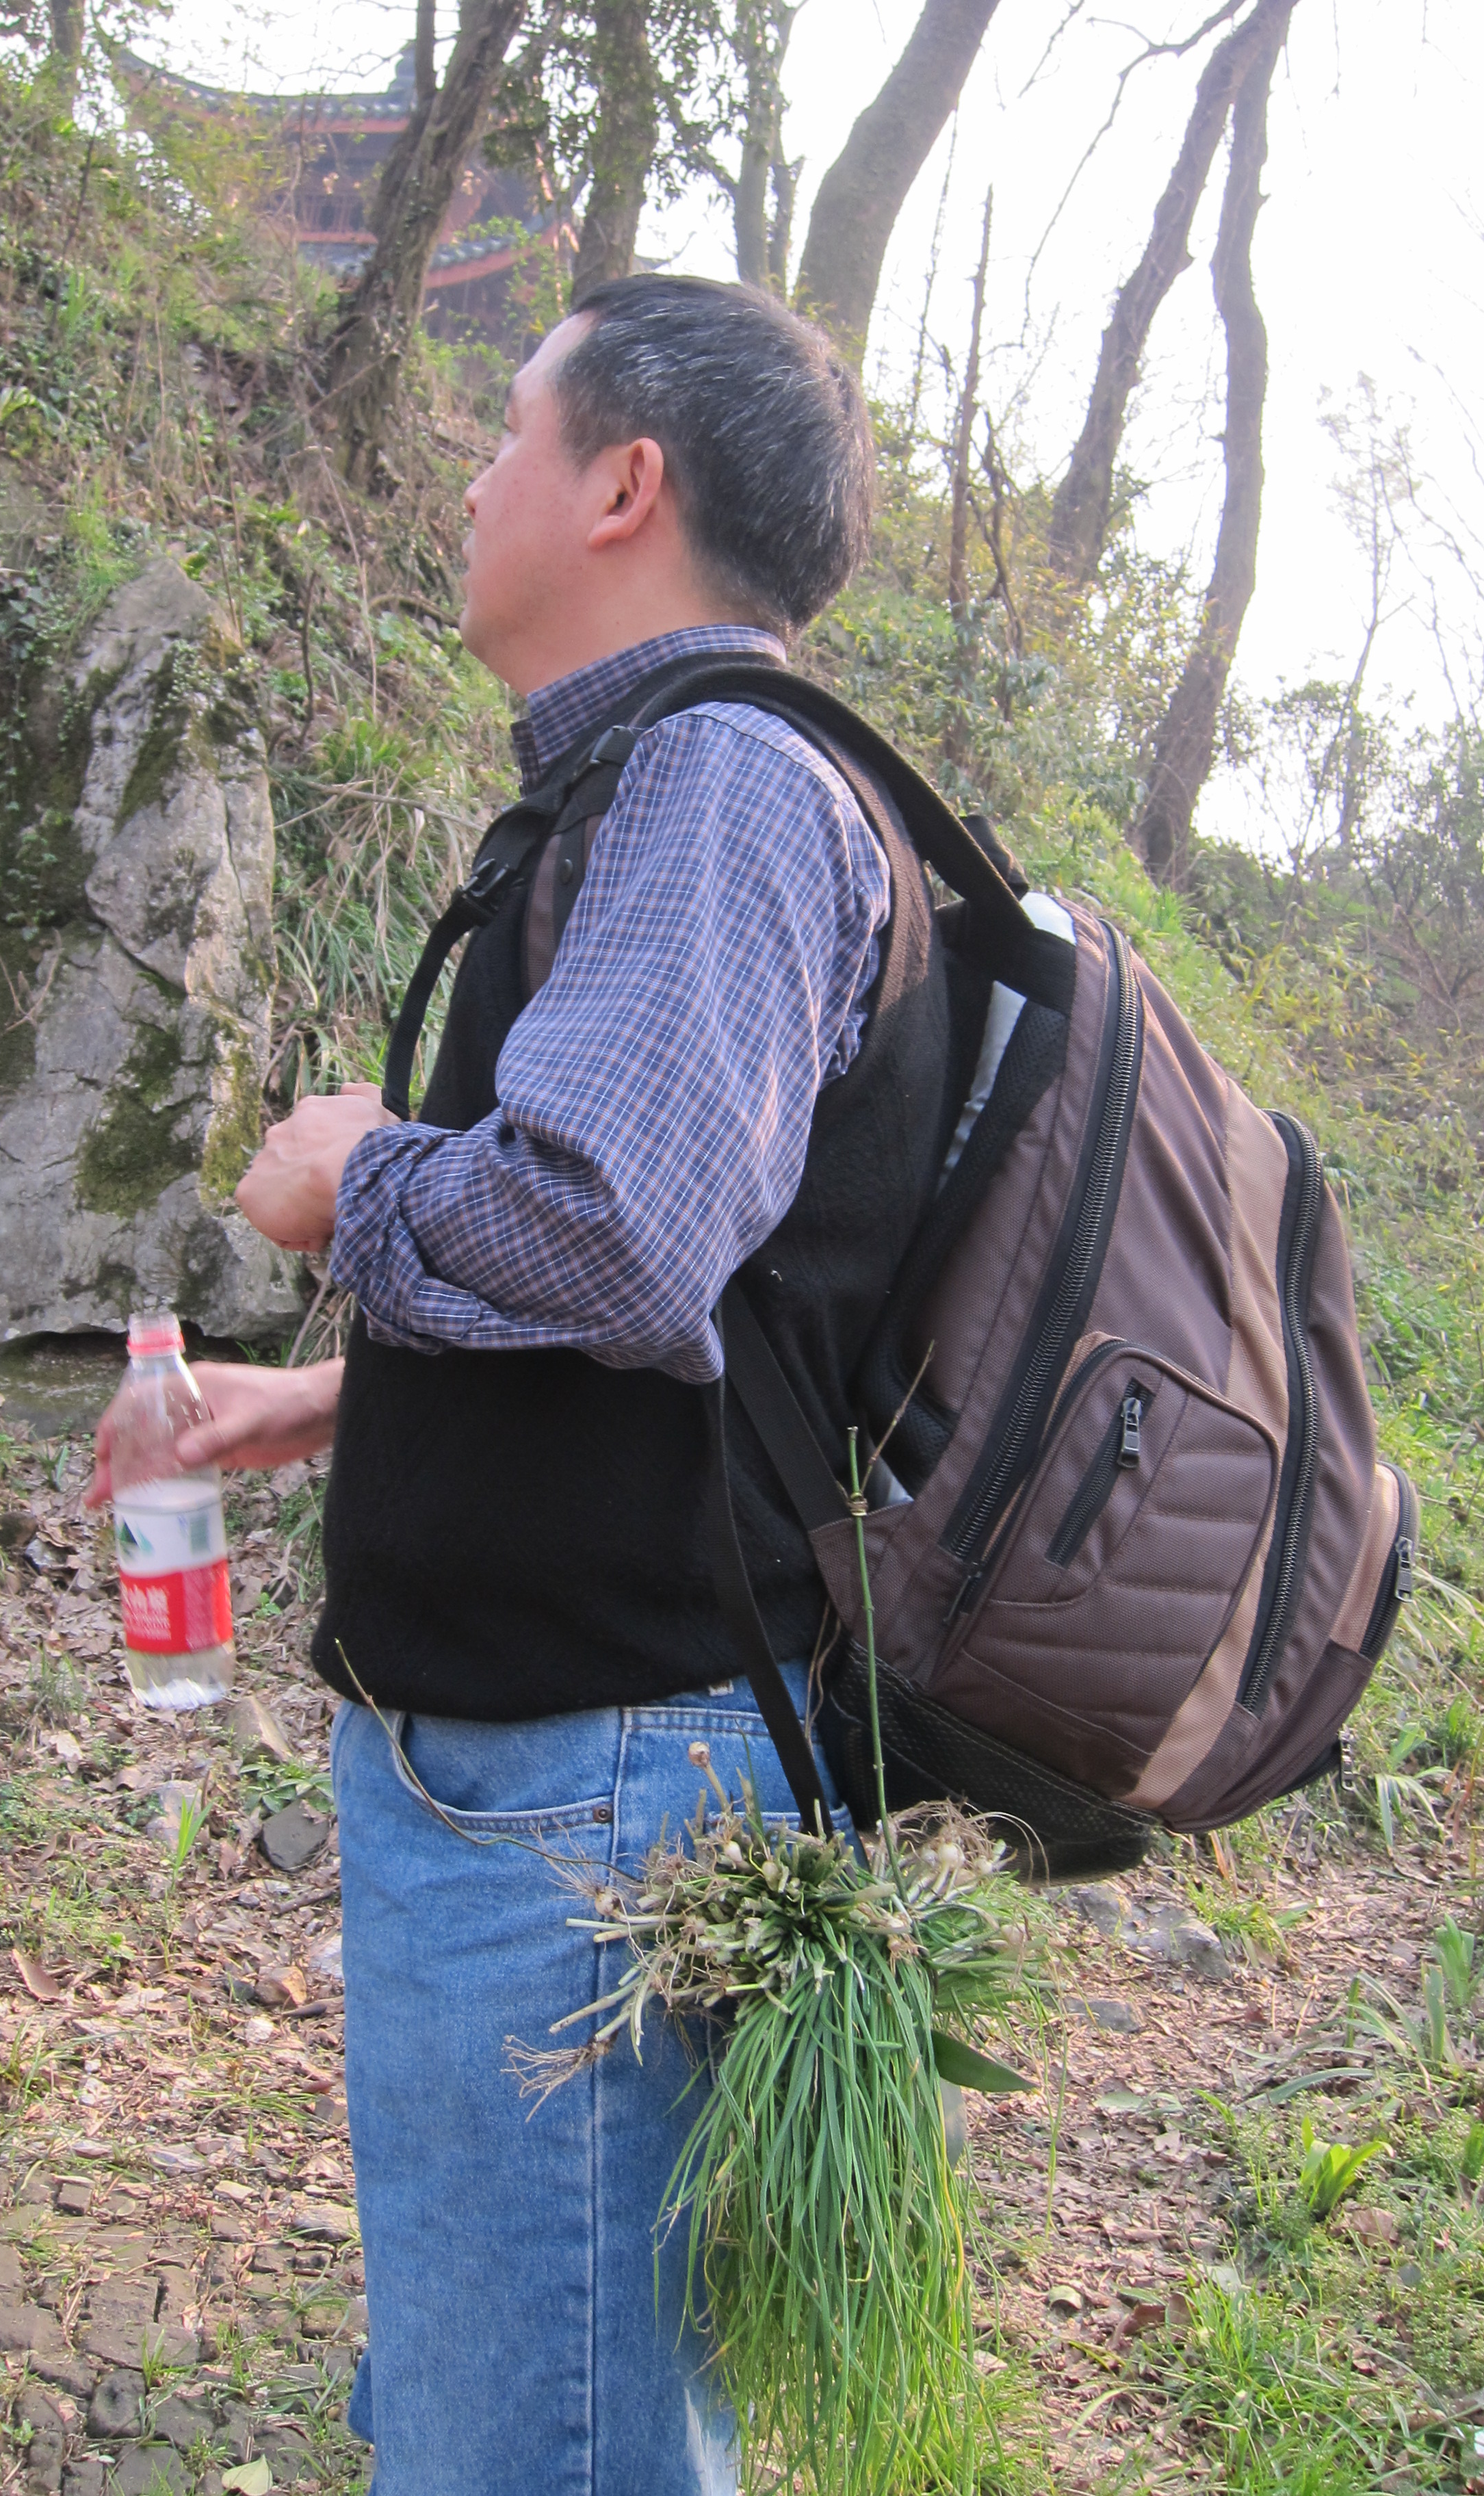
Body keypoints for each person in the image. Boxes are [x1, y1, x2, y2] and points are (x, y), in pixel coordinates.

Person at [92, 274, 950, 2495]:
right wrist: (329, 1408)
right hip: (569, 1766)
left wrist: (354, 1173)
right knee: (543, 2400)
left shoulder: (720, 785)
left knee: (538, 2446)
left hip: (591, 1780)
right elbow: (708, 1317)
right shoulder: (672, 789)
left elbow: (614, 1228)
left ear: (625, 484)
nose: (472, 477)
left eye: (508, 429)